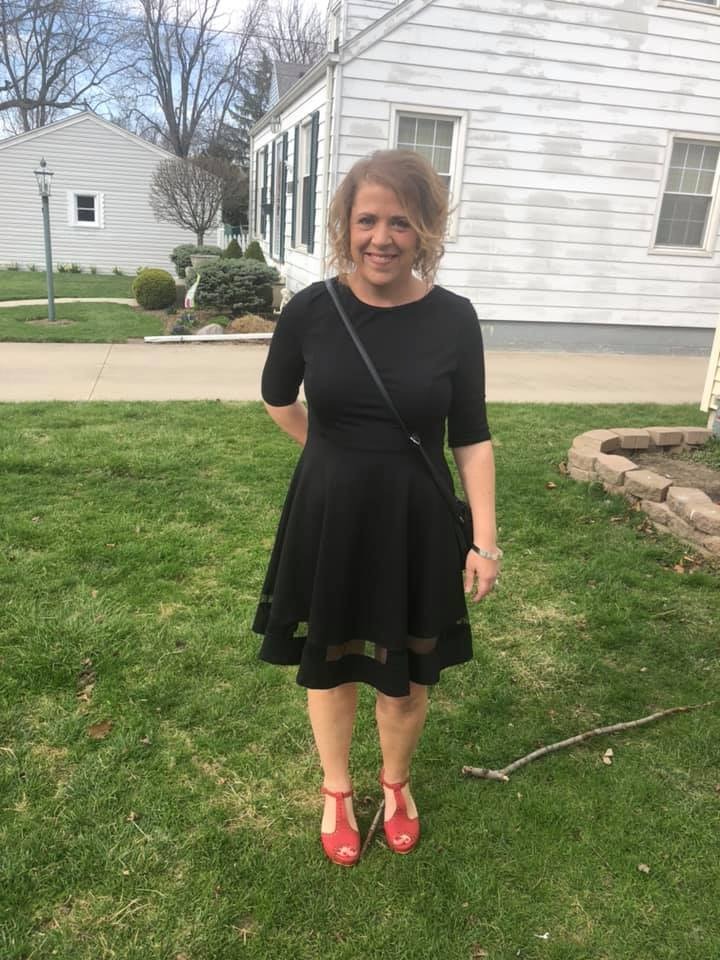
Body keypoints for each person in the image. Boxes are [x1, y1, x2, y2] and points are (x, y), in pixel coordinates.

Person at [252, 149, 499, 866]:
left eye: (401, 222)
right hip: (330, 514)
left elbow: (472, 437)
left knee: (409, 674)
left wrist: (484, 541)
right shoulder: (310, 310)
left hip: (416, 521)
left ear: (426, 230)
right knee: (330, 663)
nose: (381, 238)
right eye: (367, 220)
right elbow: (277, 399)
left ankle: (396, 785)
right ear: (345, 225)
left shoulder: (454, 319)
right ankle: (336, 790)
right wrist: (332, 452)